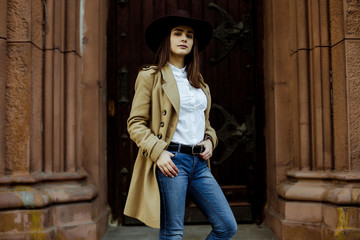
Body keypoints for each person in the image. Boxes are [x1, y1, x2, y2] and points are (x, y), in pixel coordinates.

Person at [124, 9, 237, 240]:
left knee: (226, 226)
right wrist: (159, 153)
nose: (184, 38)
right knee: (173, 233)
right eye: (178, 33)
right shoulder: (151, 76)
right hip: (172, 162)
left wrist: (210, 140)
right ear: (167, 39)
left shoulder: (199, 83)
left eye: (189, 35)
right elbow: (135, 123)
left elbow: (206, 125)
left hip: (200, 165)